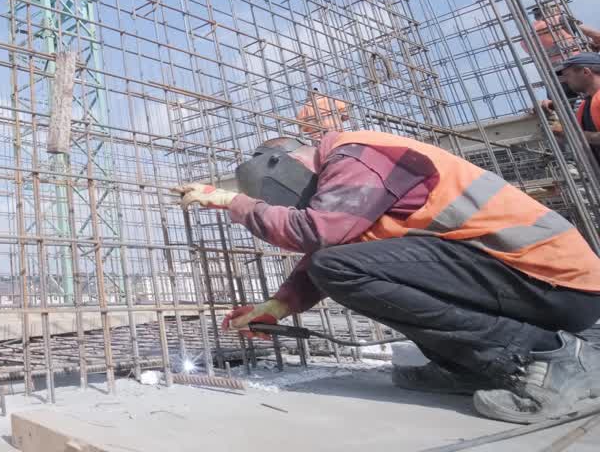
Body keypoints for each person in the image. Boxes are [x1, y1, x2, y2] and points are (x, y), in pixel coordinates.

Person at [175, 131, 600, 424]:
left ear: (289, 168)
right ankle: (470, 365)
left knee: (338, 268)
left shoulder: (357, 155)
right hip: (529, 280)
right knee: (341, 263)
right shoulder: (356, 169)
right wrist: (278, 306)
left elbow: (317, 236)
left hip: (551, 280)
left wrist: (234, 203)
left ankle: (548, 356)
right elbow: (333, 246)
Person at [542, 52, 600, 167]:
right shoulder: (585, 105)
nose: (564, 80)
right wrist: (553, 111)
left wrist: (570, 132)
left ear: (586, 72)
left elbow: (581, 135)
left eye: (567, 75)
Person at [527, 3, 600, 64]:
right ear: (554, 9)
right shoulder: (558, 19)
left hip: (555, 73)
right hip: (579, 64)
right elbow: (597, 35)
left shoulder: (527, 35)